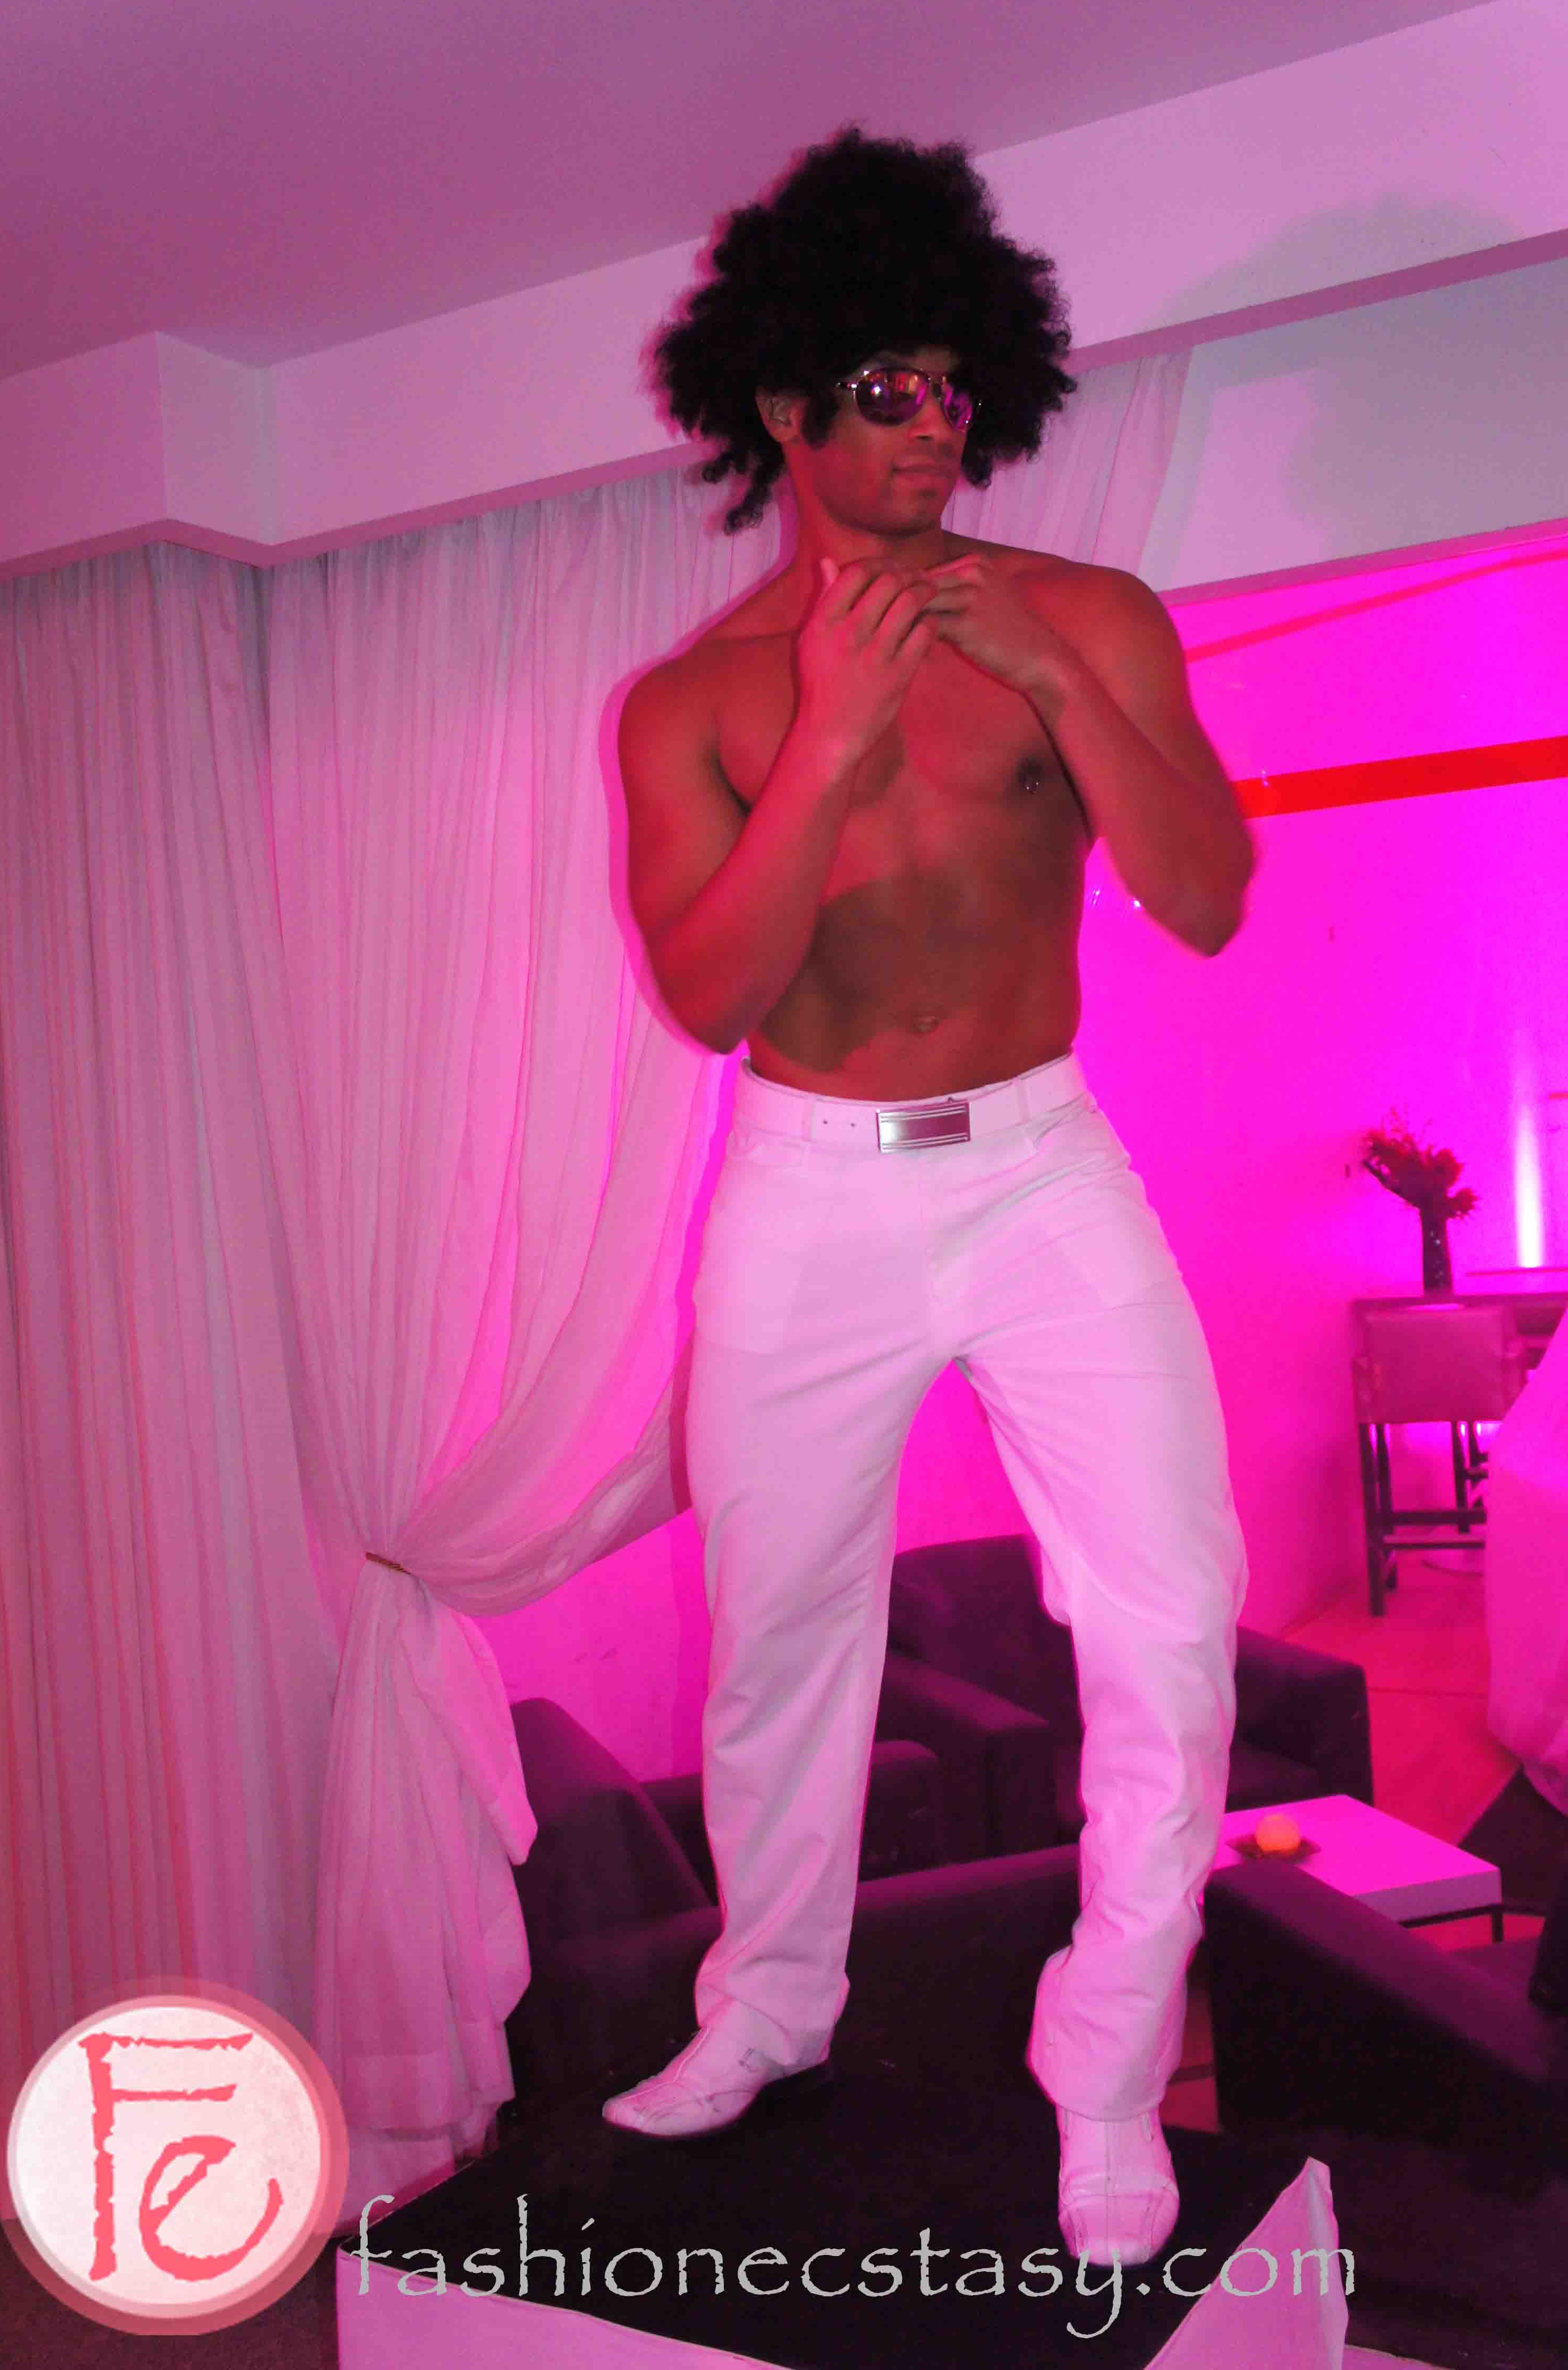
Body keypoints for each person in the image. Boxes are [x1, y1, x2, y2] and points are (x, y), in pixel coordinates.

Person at [602, 128, 1255, 2269]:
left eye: (953, 384)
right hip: (808, 1188)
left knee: (1169, 1614)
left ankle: (1107, 2062)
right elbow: (708, 995)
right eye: (884, 389)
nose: (932, 425)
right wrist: (827, 735)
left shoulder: (1088, 615)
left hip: (1045, 1163)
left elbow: (1207, 898)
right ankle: (768, 2007)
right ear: (785, 407)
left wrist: (1055, 685)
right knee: (782, 1631)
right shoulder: (691, 700)